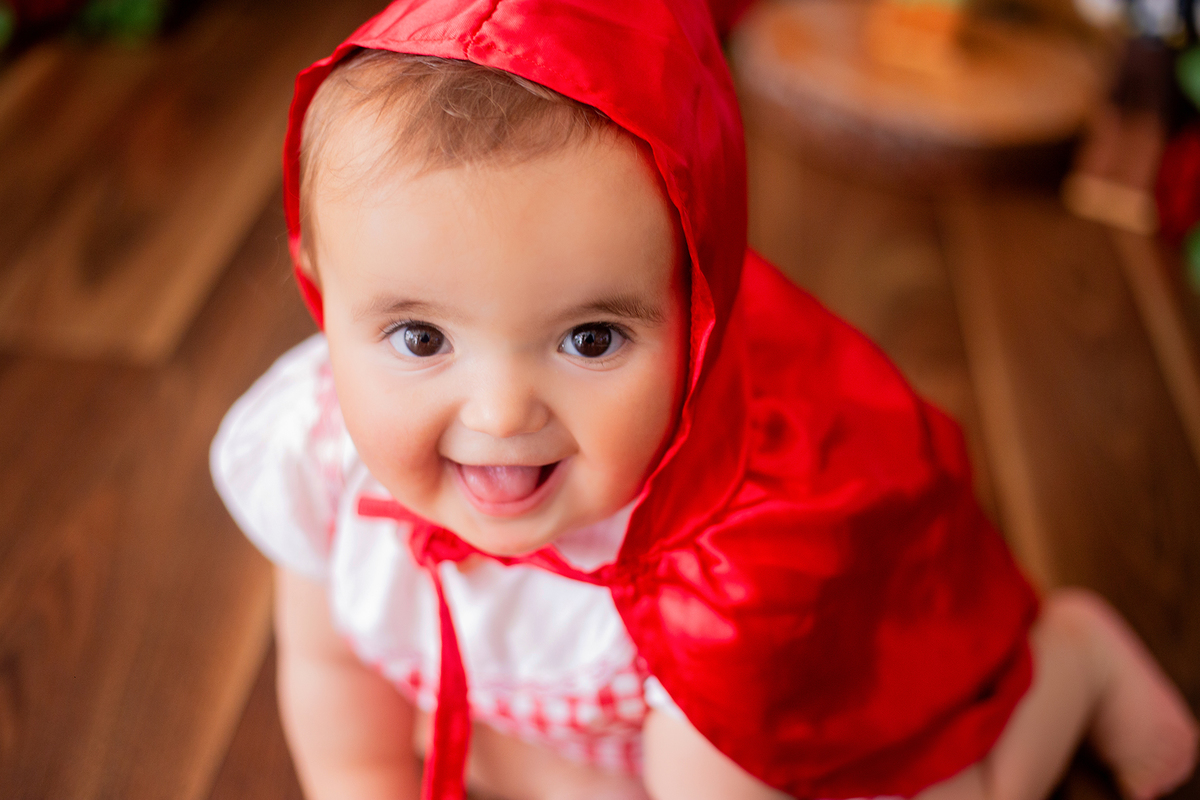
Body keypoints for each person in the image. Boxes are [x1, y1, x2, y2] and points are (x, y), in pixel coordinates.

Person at [209, 1, 1199, 798]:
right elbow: (331, 672)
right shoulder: (316, 451)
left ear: (697, 315)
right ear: (321, 292)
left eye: (591, 337)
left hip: (732, 739)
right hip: (574, 715)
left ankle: (1072, 661)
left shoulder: (722, 573)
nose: (502, 410)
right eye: (421, 337)